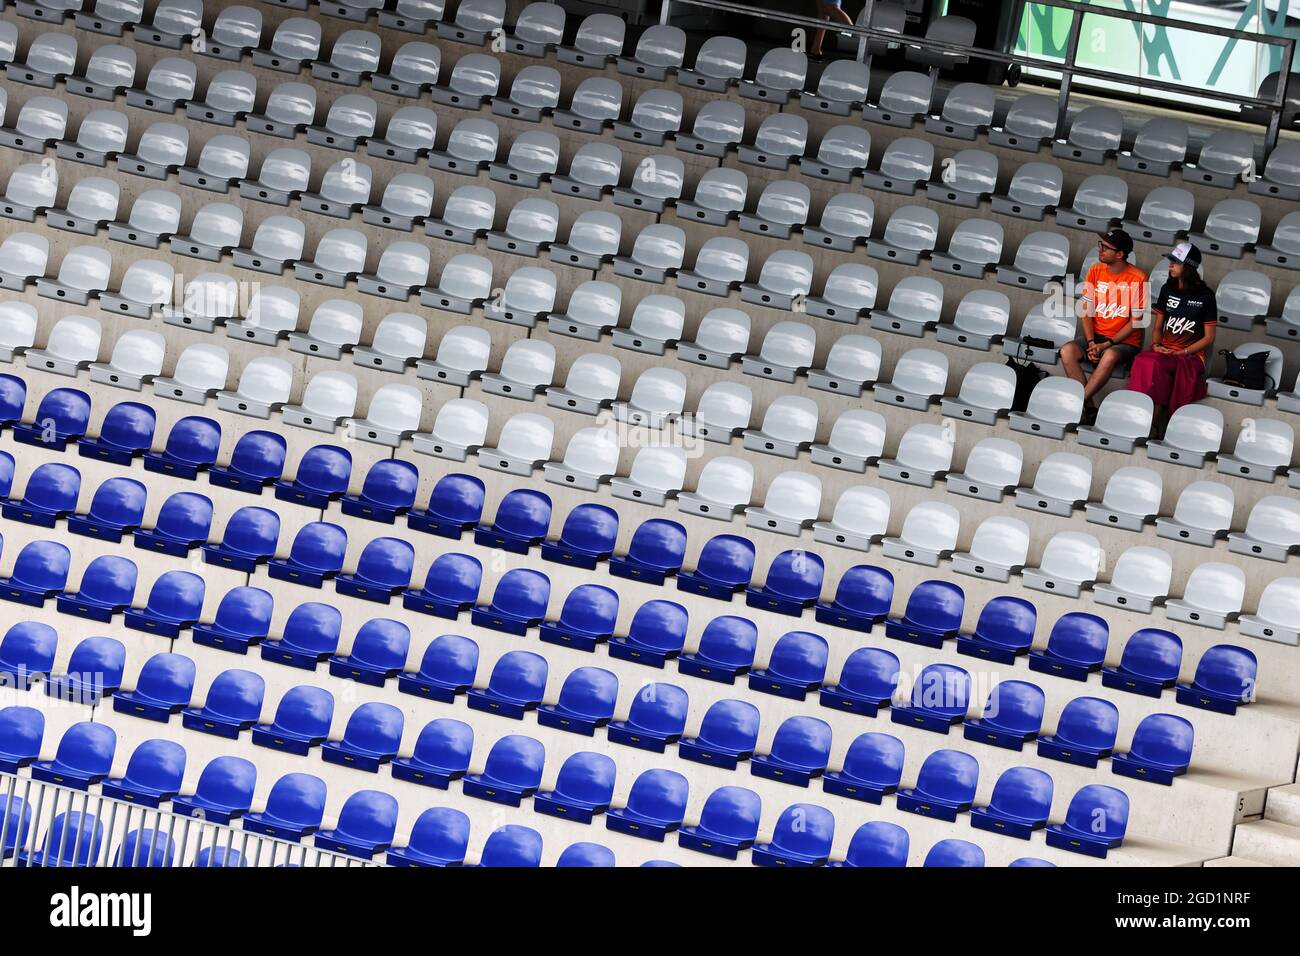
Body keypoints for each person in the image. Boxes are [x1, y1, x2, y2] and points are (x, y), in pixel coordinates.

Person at [1127, 241, 1217, 439]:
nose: (1170, 265)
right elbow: (1158, 327)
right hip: (1164, 350)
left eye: (1176, 262)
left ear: (1190, 267)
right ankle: (1144, 420)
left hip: (1190, 355)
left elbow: (1209, 337)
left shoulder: (1206, 296)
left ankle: (1150, 423)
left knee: (1153, 364)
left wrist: (1182, 352)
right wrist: (1158, 345)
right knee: (1144, 360)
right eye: (1171, 261)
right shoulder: (1168, 289)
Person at [1059, 228, 1148, 423]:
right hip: (1096, 337)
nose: (1101, 250)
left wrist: (1106, 344)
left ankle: (1077, 405)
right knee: (1067, 351)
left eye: (1106, 247)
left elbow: (1137, 321)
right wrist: (1091, 342)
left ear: (1120, 254)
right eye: (1101, 245)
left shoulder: (1139, 277)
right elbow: (1085, 311)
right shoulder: (1095, 270)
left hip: (1124, 341)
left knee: (1109, 355)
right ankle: (1090, 408)